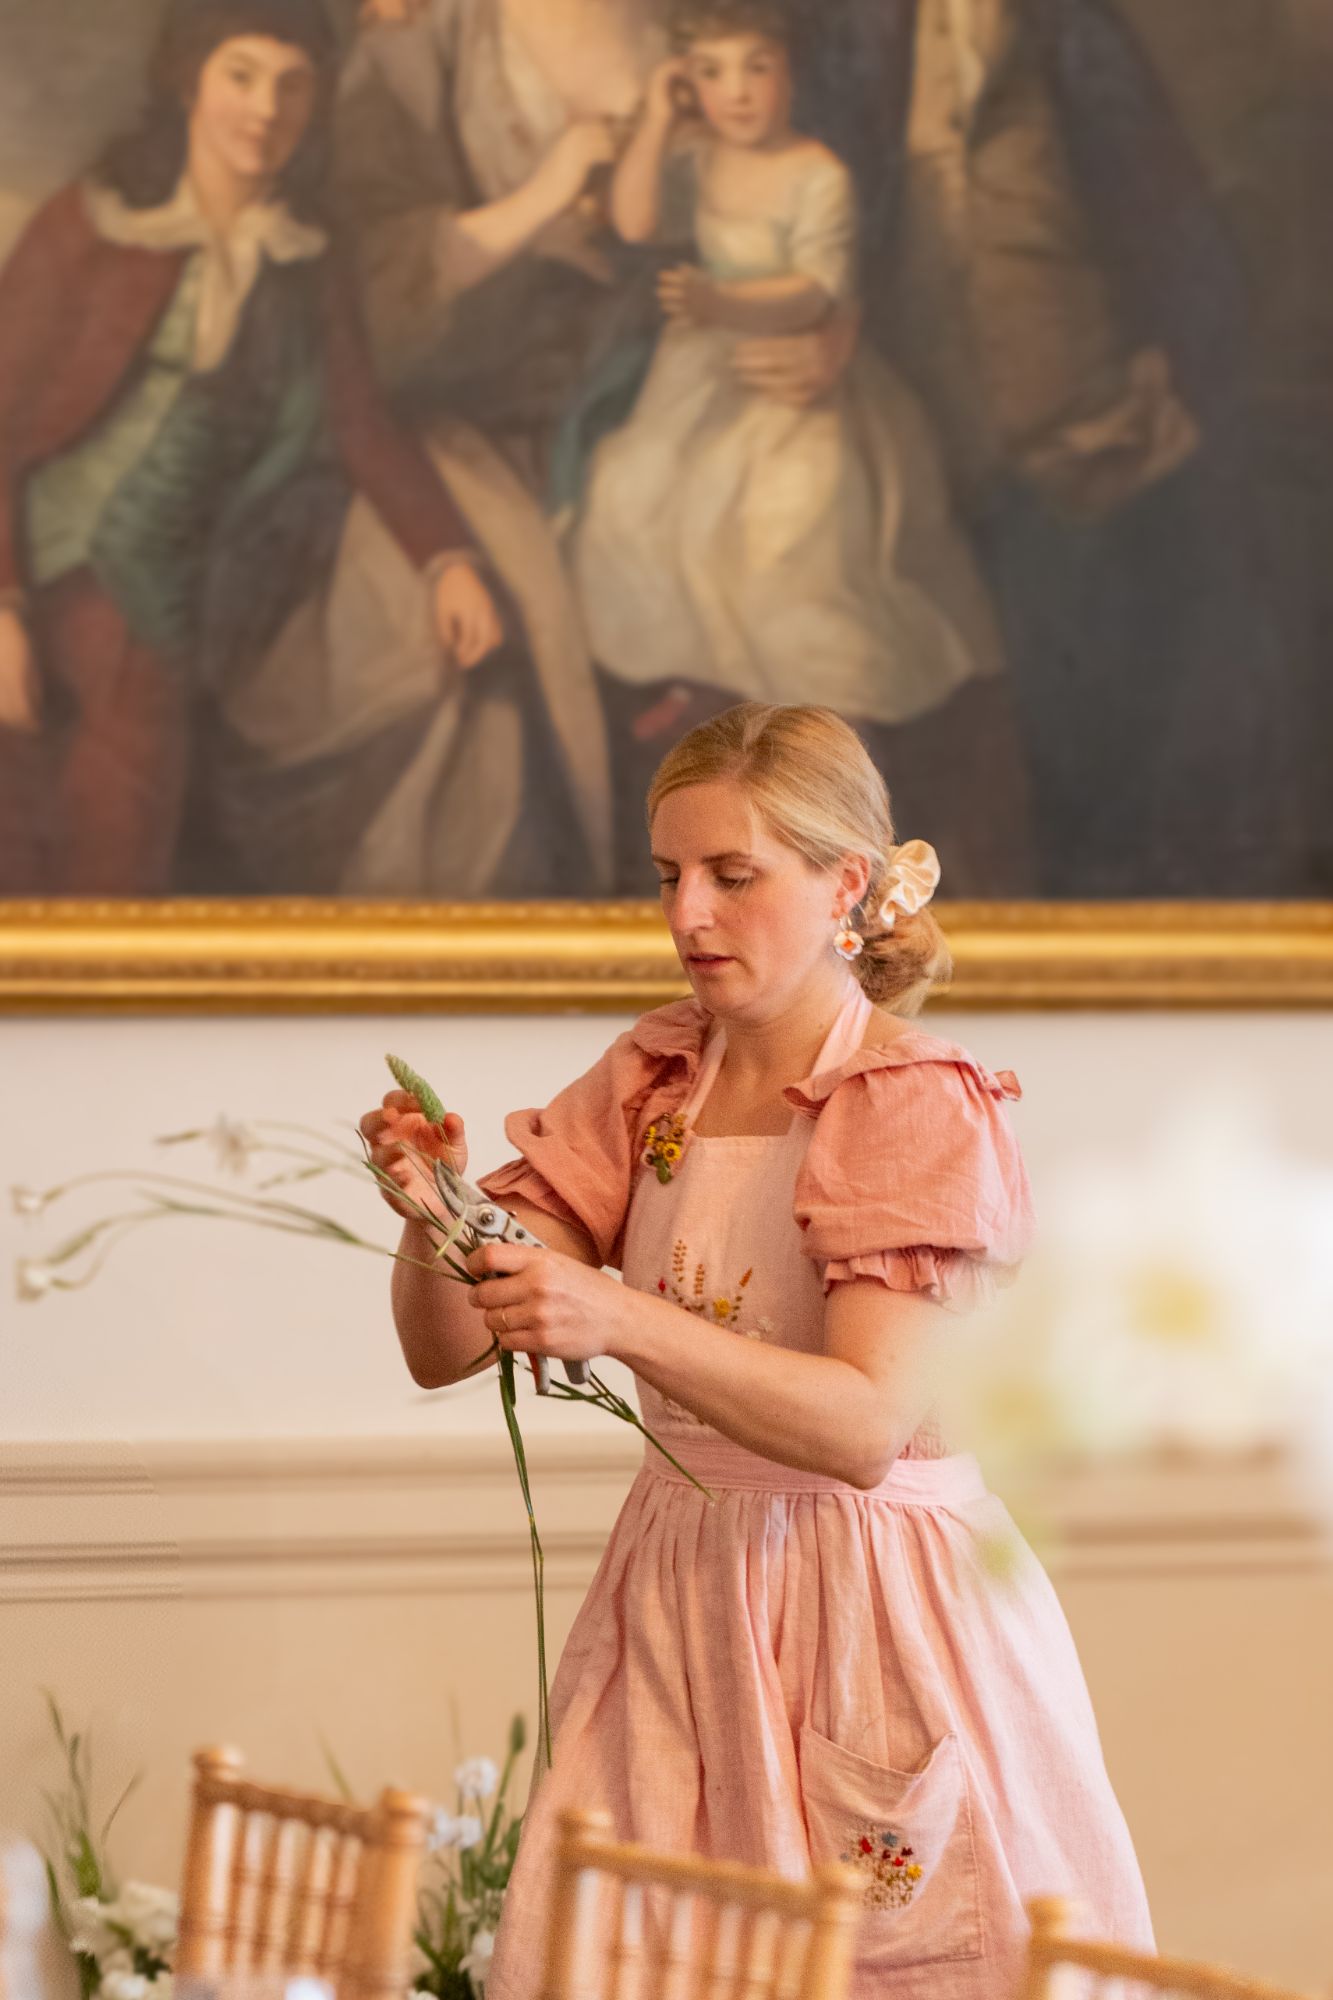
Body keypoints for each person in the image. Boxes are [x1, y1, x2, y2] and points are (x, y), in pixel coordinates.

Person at [361, 701, 1153, 1994]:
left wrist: (616, 1314)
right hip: (683, 1598)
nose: (688, 917)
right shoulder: (654, 1075)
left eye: (735, 876)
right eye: (669, 876)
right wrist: (431, 1214)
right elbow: (442, 1350)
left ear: (847, 884)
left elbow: (860, 1428)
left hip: (874, 1610)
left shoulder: (909, 1101)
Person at [0, 0, 503, 896]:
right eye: (241, 76)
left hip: (219, 559)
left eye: (292, 84)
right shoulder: (91, 223)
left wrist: (446, 558)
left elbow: (359, 422)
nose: (266, 109)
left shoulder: (305, 249)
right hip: (72, 555)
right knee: (113, 770)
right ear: (189, 79)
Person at [572, 0, 1004, 747]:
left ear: (792, 72)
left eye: (756, 68)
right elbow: (634, 221)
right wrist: (656, 116)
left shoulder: (817, 171)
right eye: (710, 73)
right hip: (702, 377)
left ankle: (821, 716)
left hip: (791, 373)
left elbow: (817, 288)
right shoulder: (702, 155)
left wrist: (721, 301)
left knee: (788, 529)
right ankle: (702, 675)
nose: (735, 91)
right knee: (633, 495)